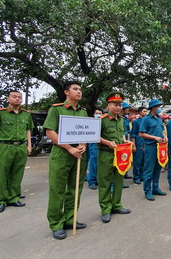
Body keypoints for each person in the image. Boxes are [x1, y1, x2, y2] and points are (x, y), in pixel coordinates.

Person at [43, 81, 88, 240]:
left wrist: (83, 144)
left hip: (79, 154)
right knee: (58, 189)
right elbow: (50, 132)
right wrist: (69, 148)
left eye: (80, 90)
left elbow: (86, 131)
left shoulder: (83, 112)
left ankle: (70, 219)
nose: (79, 92)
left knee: (75, 188)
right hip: (62, 154)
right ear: (66, 92)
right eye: (75, 89)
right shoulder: (56, 109)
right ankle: (56, 224)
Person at [0, 90, 33, 213]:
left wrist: (29, 145)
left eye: (19, 97)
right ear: (8, 99)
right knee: (1, 173)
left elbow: (28, 130)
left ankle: (13, 197)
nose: (17, 99)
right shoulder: (0, 113)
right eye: (14, 97)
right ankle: (0, 200)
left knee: (17, 173)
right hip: (4, 146)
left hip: (20, 146)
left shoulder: (26, 114)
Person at [97, 92, 132, 224]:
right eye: (116, 105)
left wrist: (126, 142)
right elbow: (95, 137)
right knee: (105, 182)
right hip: (105, 154)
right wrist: (107, 143)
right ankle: (105, 209)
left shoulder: (122, 120)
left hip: (120, 154)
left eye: (120, 105)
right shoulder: (101, 120)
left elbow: (122, 135)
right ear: (109, 105)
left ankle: (117, 205)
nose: (118, 107)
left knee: (119, 180)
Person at [139, 99, 168, 201]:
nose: (159, 108)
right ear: (153, 108)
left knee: (157, 168)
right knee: (149, 170)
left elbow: (162, 131)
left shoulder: (159, 118)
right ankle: (147, 191)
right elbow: (141, 133)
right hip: (150, 147)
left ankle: (155, 188)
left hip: (160, 147)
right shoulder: (146, 119)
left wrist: (165, 137)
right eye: (158, 106)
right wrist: (154, 138)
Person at [87, 108, 103, 190]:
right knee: (93, 163)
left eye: (100, 113)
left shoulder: (103, 122)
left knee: (101, 164)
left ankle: (98, 180)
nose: (98, 114)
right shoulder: (91, 123)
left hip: (102, 145)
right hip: (93, 144)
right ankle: (92, 181)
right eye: (97, 113)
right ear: (94, 114)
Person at [131, 106, 148, 184]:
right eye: (144, 111)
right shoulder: (136, 122)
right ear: (140, 112)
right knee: (137, 161)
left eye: (146, 111)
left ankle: (142, 176)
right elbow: (133, 134)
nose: (145, 112)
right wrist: (134, 145)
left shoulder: (147, 121)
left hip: (146, 143)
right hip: (138, 143)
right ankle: (136, 177)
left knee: (144, 161)